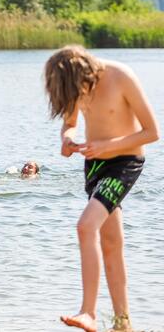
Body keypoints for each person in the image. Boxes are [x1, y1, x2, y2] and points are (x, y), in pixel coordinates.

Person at [44, 46, 159, 332]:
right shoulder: (75, 83)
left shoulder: (121, 76)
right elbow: (69, 124)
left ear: (83, 71)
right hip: (94, 166)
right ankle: (123, 323)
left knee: (85, 227)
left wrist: (109, 146)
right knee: (111, 245)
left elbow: (152, 132)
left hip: (125, 162)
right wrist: (68, 140)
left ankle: (88, 312)